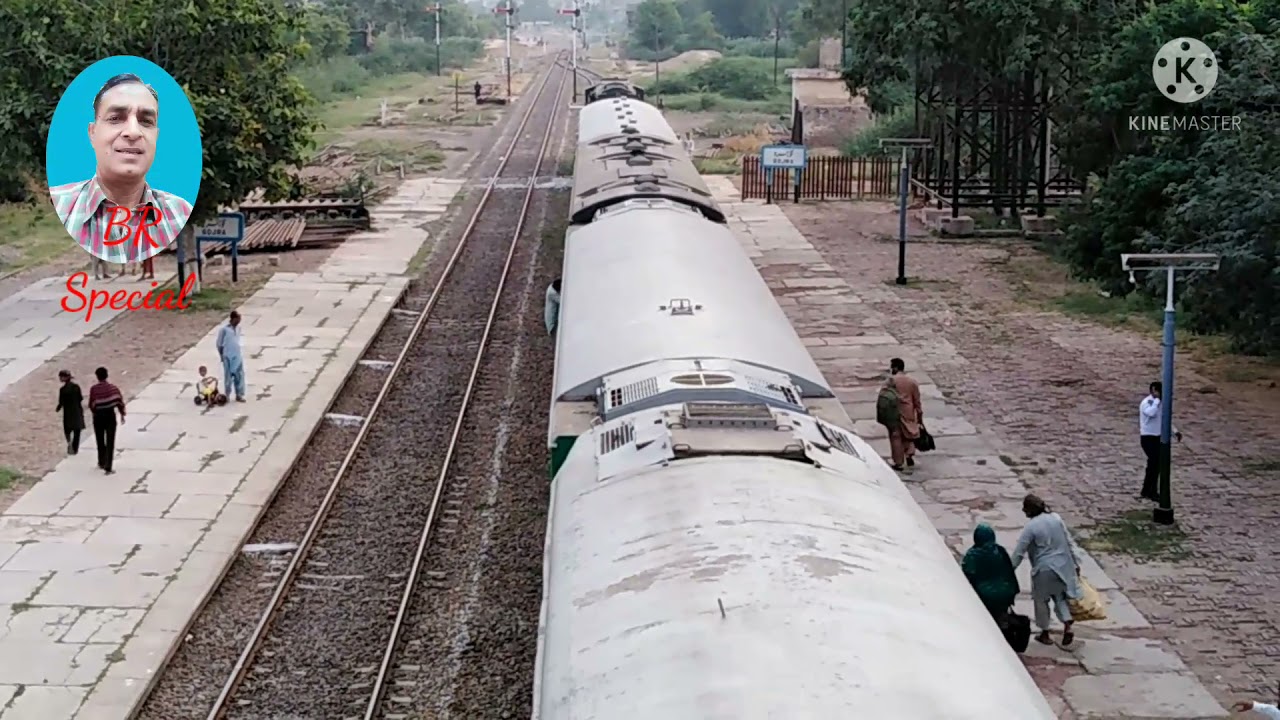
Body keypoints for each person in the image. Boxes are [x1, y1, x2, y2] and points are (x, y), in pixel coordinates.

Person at [49, 73, 193, 265]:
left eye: (146, 121)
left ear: (156, 137)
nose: (133, 132)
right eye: (116, 118)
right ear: (92, 133)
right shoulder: (62, 206)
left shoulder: (180, 211)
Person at [1010, 493, 1082, 647]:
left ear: (1028, 510)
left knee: (1041, 601)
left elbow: (1019, 552)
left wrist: (1009, 570)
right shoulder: (1056, 518)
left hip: (1044, 569)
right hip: (1063, 566)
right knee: (1060, 597)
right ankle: (1067, 624)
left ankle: (1045, 632)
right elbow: (1069, 541)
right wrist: (1076, 562)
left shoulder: (1031, 527)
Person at [961, 523, 1019, 620]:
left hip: (985, 595)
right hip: (1005, 593)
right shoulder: (1000, 551)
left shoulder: (972, 555)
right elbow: (1010, 572)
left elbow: (968, 576)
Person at [1138, 381, 1182, 501]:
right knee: (1154, 462)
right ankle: (1150, 491)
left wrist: (1174, 431)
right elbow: (1151, 413)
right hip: (1148, 437)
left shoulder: (1161, 404)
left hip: (1158, 437)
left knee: (1154, 465)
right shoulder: (1147, 402)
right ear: (1153, 390)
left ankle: (1148, 490)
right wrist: (1157, 400)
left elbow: (1165, 419)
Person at [883, 358, 923, 471]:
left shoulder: (891, 381)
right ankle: (909, 454)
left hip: (894, 411)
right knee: (909, 434)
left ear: (895, 368)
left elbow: (884, 396)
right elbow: (917, 401)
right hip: (908, 411)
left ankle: (898, 462)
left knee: (896, 436)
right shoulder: (912, 382)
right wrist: (920, 416)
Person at [87, 367, 126, 474]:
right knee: (110, 440)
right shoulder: (113, 388)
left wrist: (95, 412)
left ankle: (101, 461)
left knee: (100, 440)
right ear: (107, 375)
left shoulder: (94, 389)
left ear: (97, 377)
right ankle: (108, 465)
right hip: (110, 416)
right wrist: (122, 414)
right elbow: (119, 401)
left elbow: (91, 404)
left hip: (98, 416)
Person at [216, 310, 246, 402]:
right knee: (228, 377)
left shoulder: (238, 328)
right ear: (233, 319)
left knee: (239, 375)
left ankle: (239, 394)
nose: (239, 320)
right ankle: (227, 395)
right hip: (227, 356)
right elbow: (219, 344)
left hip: (237, 355)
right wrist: (221, 355)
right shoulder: (224, 330)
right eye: (238, 318)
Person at [56, 370, 85, 455]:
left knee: (67, 429)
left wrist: (58, 408)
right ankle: (75, 448)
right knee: (77, 431)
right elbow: (80, 398)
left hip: (68, 412)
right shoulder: (76, 387)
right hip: (77, 410)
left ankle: (69, 443)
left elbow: (61, 402)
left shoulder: (63, 390)